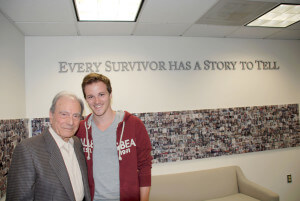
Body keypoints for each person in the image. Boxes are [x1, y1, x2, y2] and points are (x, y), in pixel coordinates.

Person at [76, 73, 152, 201]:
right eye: (91, 97)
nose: (97, 101)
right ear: (86, 99)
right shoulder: (80, 129)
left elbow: (145, 167)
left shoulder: (134, 124)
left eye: (101, 94)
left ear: (110, 95)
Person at [6, 91, 91, 201]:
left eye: (76, 116)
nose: (71, 122)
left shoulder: (77, 143)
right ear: (51, 115)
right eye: (64, 114)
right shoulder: (28, 150)